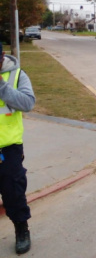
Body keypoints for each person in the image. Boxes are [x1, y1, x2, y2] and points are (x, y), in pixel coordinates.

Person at [0, 43, 36, 254]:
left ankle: (22, 229)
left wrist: (2, 87)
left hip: (9, 149)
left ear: (2, 55)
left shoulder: (17, 75)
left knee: (13, 194)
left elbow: (28, 103)